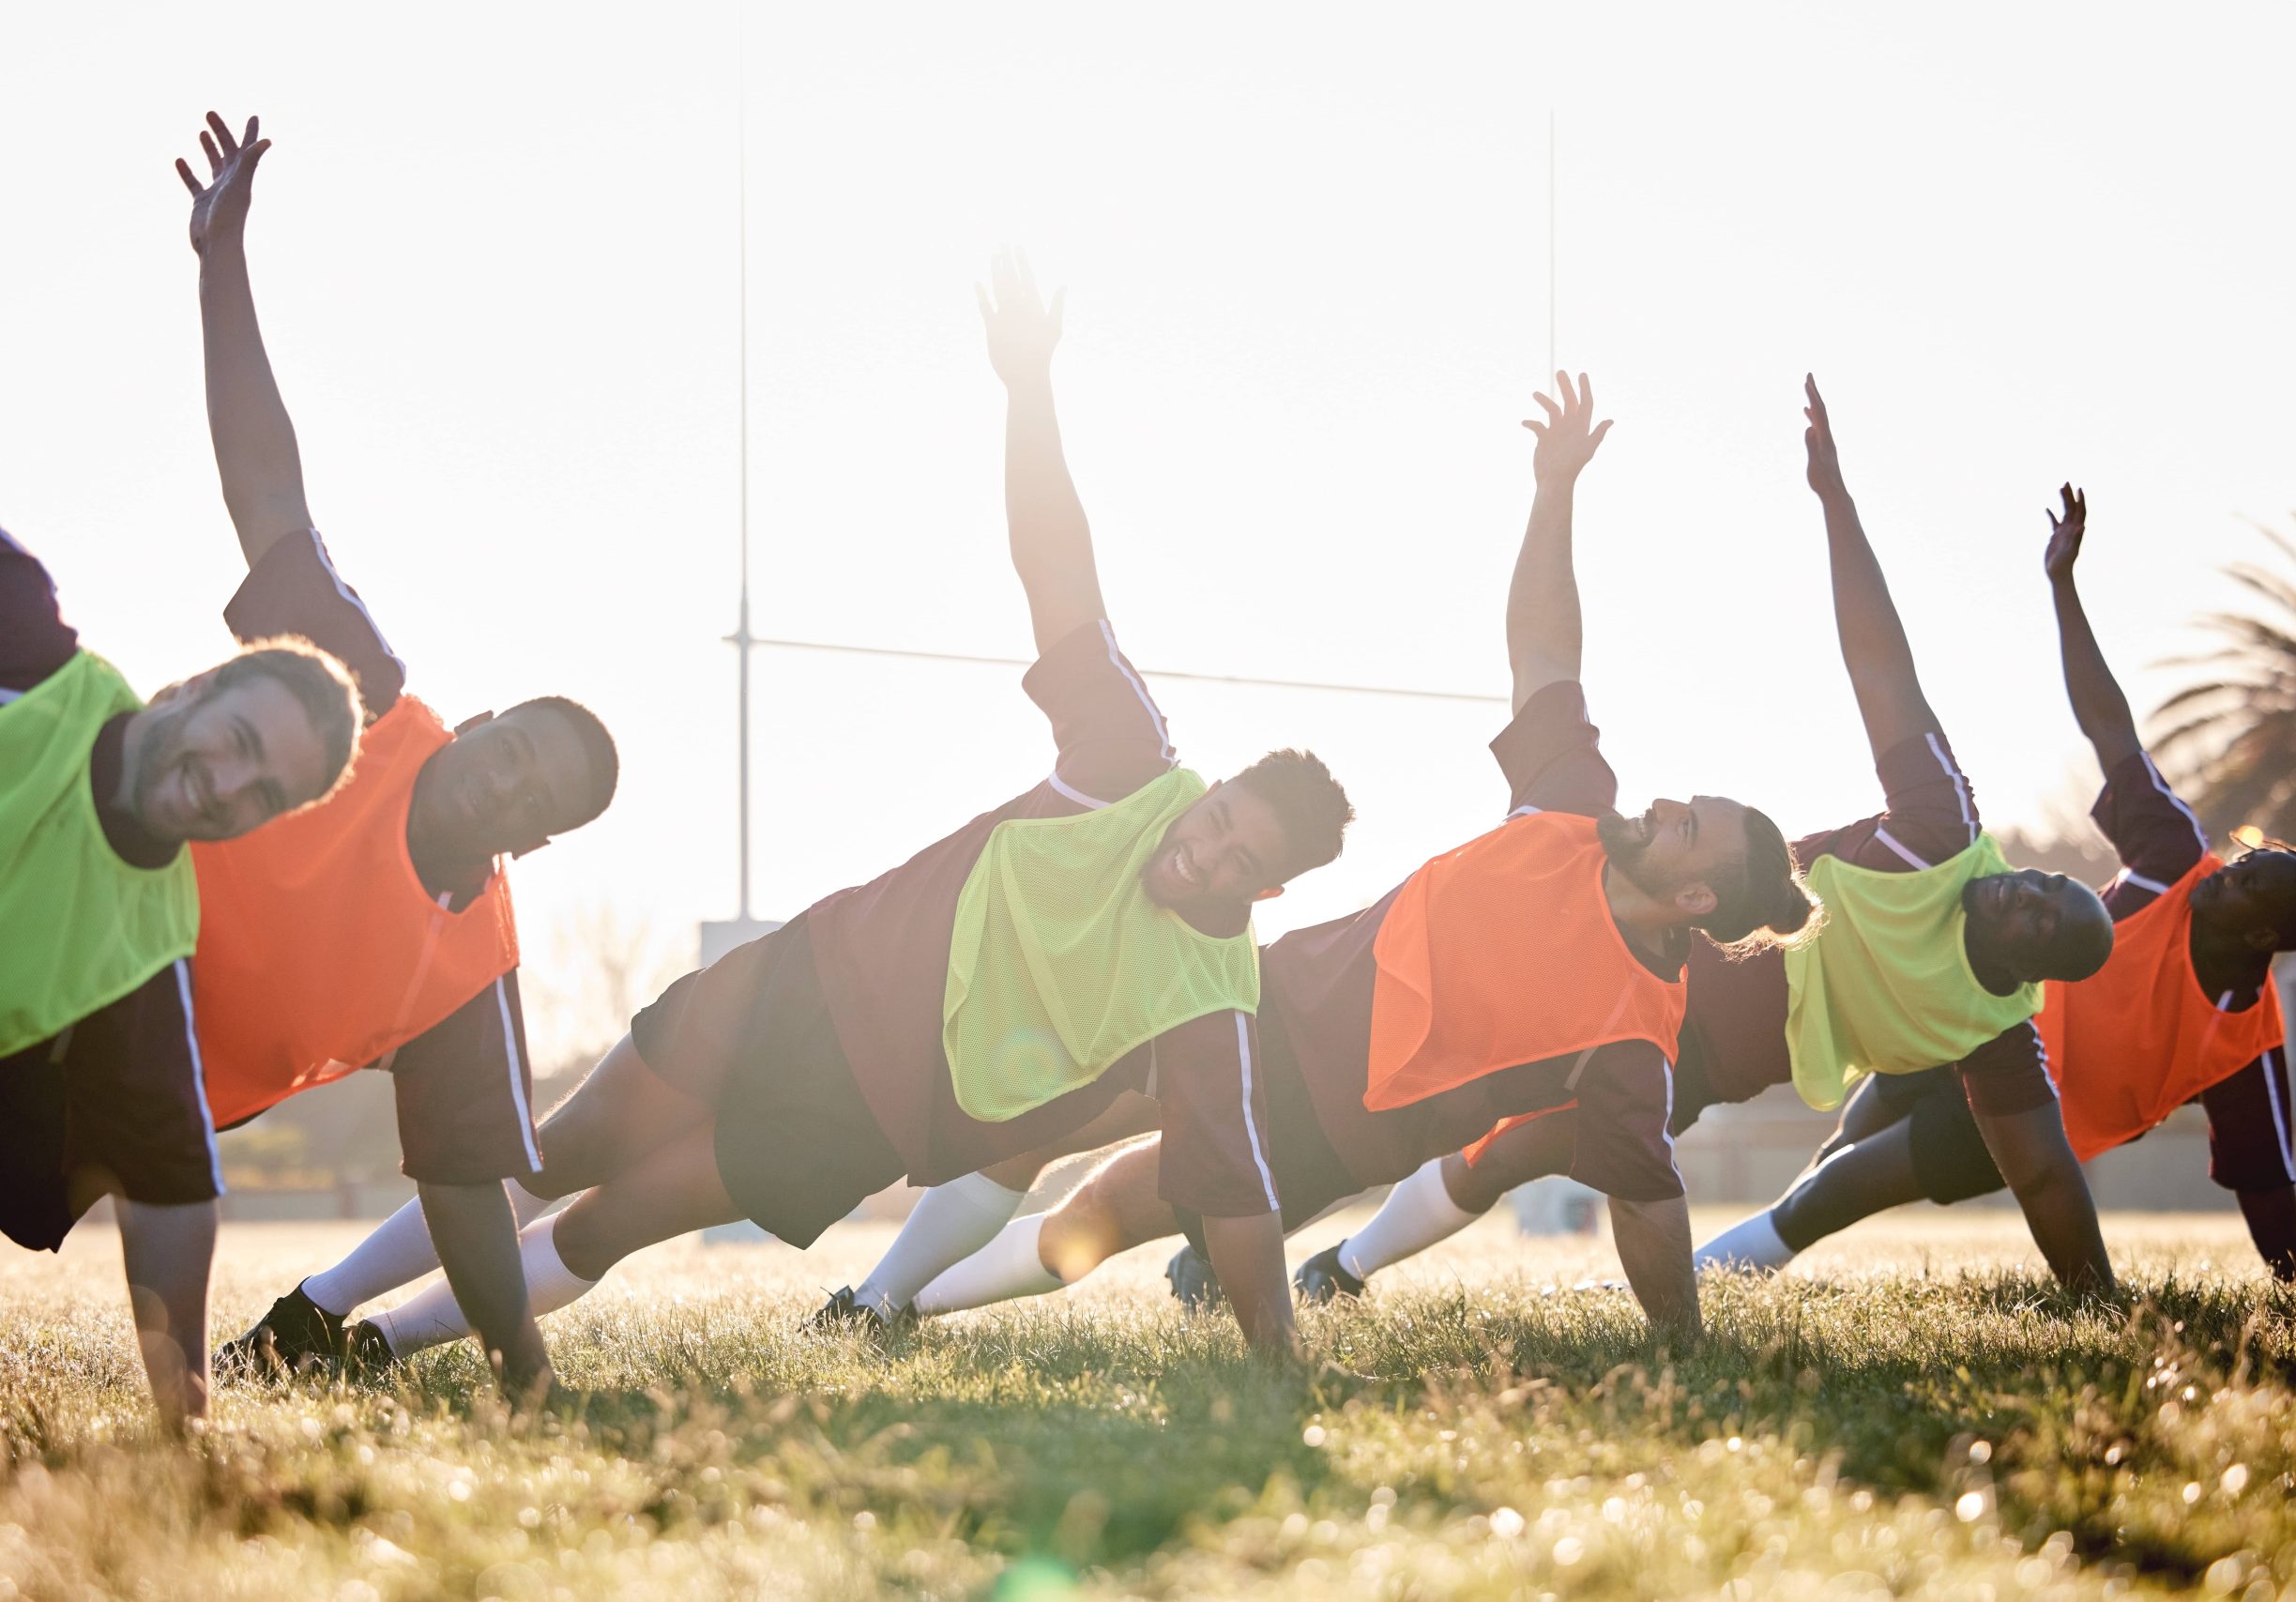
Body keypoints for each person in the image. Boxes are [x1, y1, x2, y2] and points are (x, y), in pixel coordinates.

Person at [277, 251, 1356, 1366]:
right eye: (1220, 820)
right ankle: (311, 1310)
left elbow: (1234, 1186)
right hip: (799, 983)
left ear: (1265, 891)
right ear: (1212, 790)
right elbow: (1060, 577)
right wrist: (1026, 389)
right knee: (559, 1149)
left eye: (1239, 865)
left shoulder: (1211, 997)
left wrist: (1278, 1363)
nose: (1205, 855)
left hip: (862, 1121)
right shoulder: (1132, 760)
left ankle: (380, 1351)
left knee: (618, 1220)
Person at [857, 370, 1819, 1341]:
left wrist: (1685, 1348)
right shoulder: (1571, 807)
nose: (1662, 808)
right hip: (1255, 999)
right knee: (1042, 1112)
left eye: (1686, 827)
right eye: (1682, 803)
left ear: (1694, 897)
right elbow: (1545, 654)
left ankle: (903, 1312)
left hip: (1317, 1135)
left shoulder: (1629, 1044)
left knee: (1095, 1219)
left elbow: (1646, 1204)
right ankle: (867, 1304)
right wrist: (1554, 487)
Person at [1293, 378, 2122, 1302]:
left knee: (1518, 1149)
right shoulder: (1945, 828)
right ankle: (1330, 1259)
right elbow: (1881, 663)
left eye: (2040, 919)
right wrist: (1835, 501)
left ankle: (1334, 1259)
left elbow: (2044, 1173)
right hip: (1657, 944)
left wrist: (2097, 1298)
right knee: (1475, 1124)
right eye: (2043, 882)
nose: (2024, 892)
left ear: (2024, 970)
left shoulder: (1994, 1031)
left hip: (1706, 1057)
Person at [155, 114, 619, 1396]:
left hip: (144, 1073)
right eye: (517, 745)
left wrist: (522, 1366)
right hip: (75, 907)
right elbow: (267, 490)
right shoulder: (364, 691)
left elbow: (468, 1186)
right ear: (475, 728)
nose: (512, 776)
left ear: (527, 843)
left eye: (540, 797)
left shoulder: (468, 959)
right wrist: (220, 262)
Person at [1680, 484, 2296, 1282]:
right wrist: (2063, 587)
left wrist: (2292, 1285)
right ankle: (1724, 1264)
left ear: (2262, 937)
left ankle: (1707, 1270)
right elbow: (2109, 725)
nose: (2227, 876)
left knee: (1838, 1187)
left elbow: (2265, 1175)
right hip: (1963, 1012)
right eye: (2246, 862)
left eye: (2249, 888)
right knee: (1841, 1141)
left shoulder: (2241, 1041)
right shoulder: (2179, 858)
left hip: (2021, 1107)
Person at [0, 527, 361, 1429]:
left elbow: (173, 1189)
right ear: (194, 690)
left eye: (265, 795)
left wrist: (185, 1425)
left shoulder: (144, 952)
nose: (226, 786)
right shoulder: (29, 645)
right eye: (236, 739)